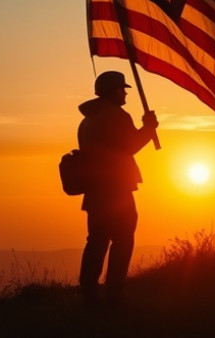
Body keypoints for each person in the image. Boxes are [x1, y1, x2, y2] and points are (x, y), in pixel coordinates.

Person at [77, 70, 158, 307]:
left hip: (95, 192)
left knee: (97, 240)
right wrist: (148, 128)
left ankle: (89, 292)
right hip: (116, 189)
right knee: (123, 240)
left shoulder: (88, 120)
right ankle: (114, 293)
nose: (125, 93)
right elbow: (130, 145)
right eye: (122, 89)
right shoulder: (117, 116)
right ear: (112, 91)